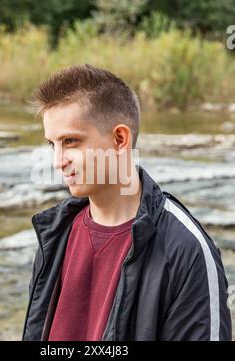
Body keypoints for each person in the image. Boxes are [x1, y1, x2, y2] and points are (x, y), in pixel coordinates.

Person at [22, 64, 232, 341]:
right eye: (52, 144)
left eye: (71, 141)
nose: (58, 161)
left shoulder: (186, 249)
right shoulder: (55, 233)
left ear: (120, 139)